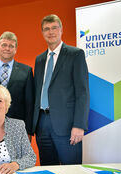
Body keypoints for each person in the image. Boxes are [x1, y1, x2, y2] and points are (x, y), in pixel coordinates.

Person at [33, 14, 90, 165]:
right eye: (46, 29)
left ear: (61, 30)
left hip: (67, 125)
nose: (50, 32)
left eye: (54, 28)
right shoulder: (39, 60)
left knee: (72, 173)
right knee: (47, 172)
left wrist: (79, 125)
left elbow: (82, 93)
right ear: (42, 33)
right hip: (42, 123)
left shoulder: (75, 54)